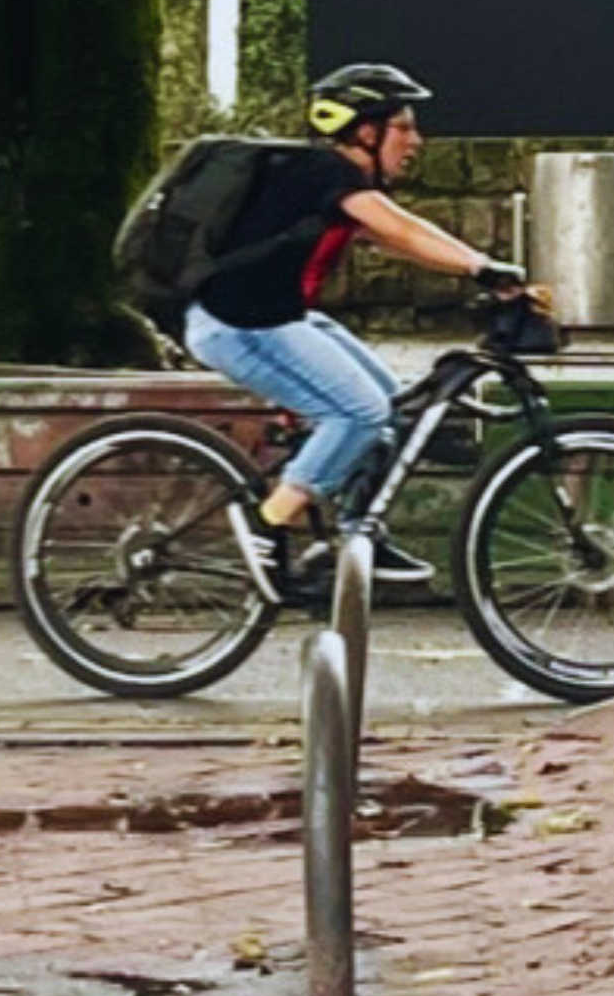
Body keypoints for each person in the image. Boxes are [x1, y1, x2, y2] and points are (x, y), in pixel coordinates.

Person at [180, 61, 528, 597]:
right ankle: (268, 523)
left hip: (276, 318)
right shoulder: (326, 172)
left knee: (391, 409)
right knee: (359, 412)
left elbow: (402, 236)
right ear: (366, 131)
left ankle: (356, 534)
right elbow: (402, 228)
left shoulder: (329, 184)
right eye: (404, 127)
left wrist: (479, 268)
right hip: (240, 326)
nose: (416, 140)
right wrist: (484, 268)